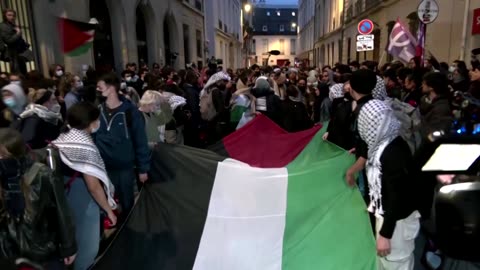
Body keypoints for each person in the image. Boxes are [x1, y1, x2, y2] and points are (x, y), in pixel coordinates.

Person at [52, 102, 117, 270]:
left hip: (66, 193)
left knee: (75, 237)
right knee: (87, 247)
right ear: (90, 122)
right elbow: (93, 187)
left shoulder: (66, 136)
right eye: (97, 119)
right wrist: (109, 210)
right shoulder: (84, 147)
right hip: (82, 199)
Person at [0, 128, 77, 268]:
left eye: (2, 156)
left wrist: (68, 247)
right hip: (9, 252)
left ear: (15, 153)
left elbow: (61, 210)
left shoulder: (42, 174)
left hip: (40, 249)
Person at [357, 99, 420, 270]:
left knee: (395, 262)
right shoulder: (385, 142)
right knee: (385, 262)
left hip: (397, 224)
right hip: (388, 216)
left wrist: (385, 234)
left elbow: (397, 196)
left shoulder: (392, 152)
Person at [94, 73, 150, 217]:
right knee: (107, 205)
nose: (98, 90)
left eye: (100, 87)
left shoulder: (130, 112)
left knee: (126, 205)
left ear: (111, 88)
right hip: (103, 168)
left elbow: (140, 141)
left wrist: (143, 168)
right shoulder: (97, 111)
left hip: (124, 168)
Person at [0, 9, 27, 74]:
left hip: (17, 52)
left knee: (21, 72)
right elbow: (9, 40)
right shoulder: (3, 26)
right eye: (9, 15)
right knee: (17, 73)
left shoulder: (11, 25)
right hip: (11, 53)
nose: (12, 17)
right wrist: (18, 33)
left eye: (13, 15)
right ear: (4, 16)